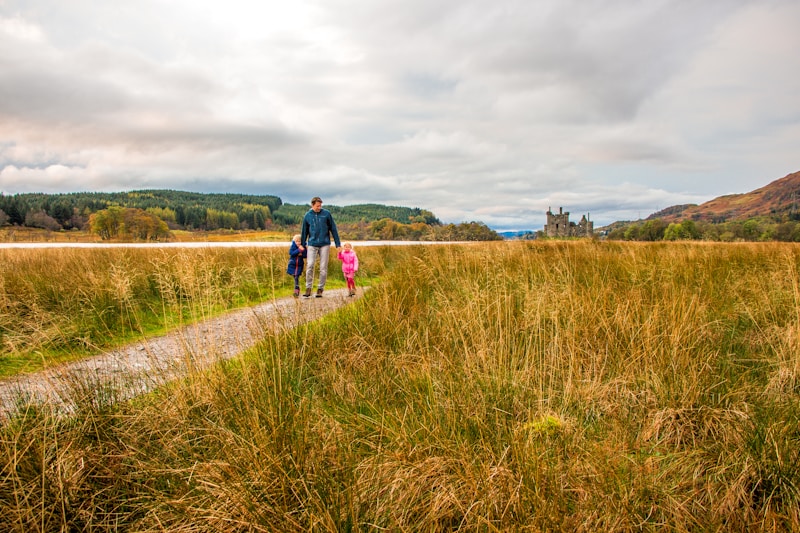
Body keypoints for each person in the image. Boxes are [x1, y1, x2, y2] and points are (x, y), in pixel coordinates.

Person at [301, 196, 341, 298]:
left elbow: (334, 229)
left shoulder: (326, 214)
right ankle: (308, 288)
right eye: (317, 206)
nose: (319, 207)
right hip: (312, 244)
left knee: (323, 268)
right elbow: (304, 231)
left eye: (320, 206)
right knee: (310, 265)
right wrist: (302, 244)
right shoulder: (307, 216)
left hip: (325, 244)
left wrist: (338, 244)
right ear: (312, 205)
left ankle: (320, 289)